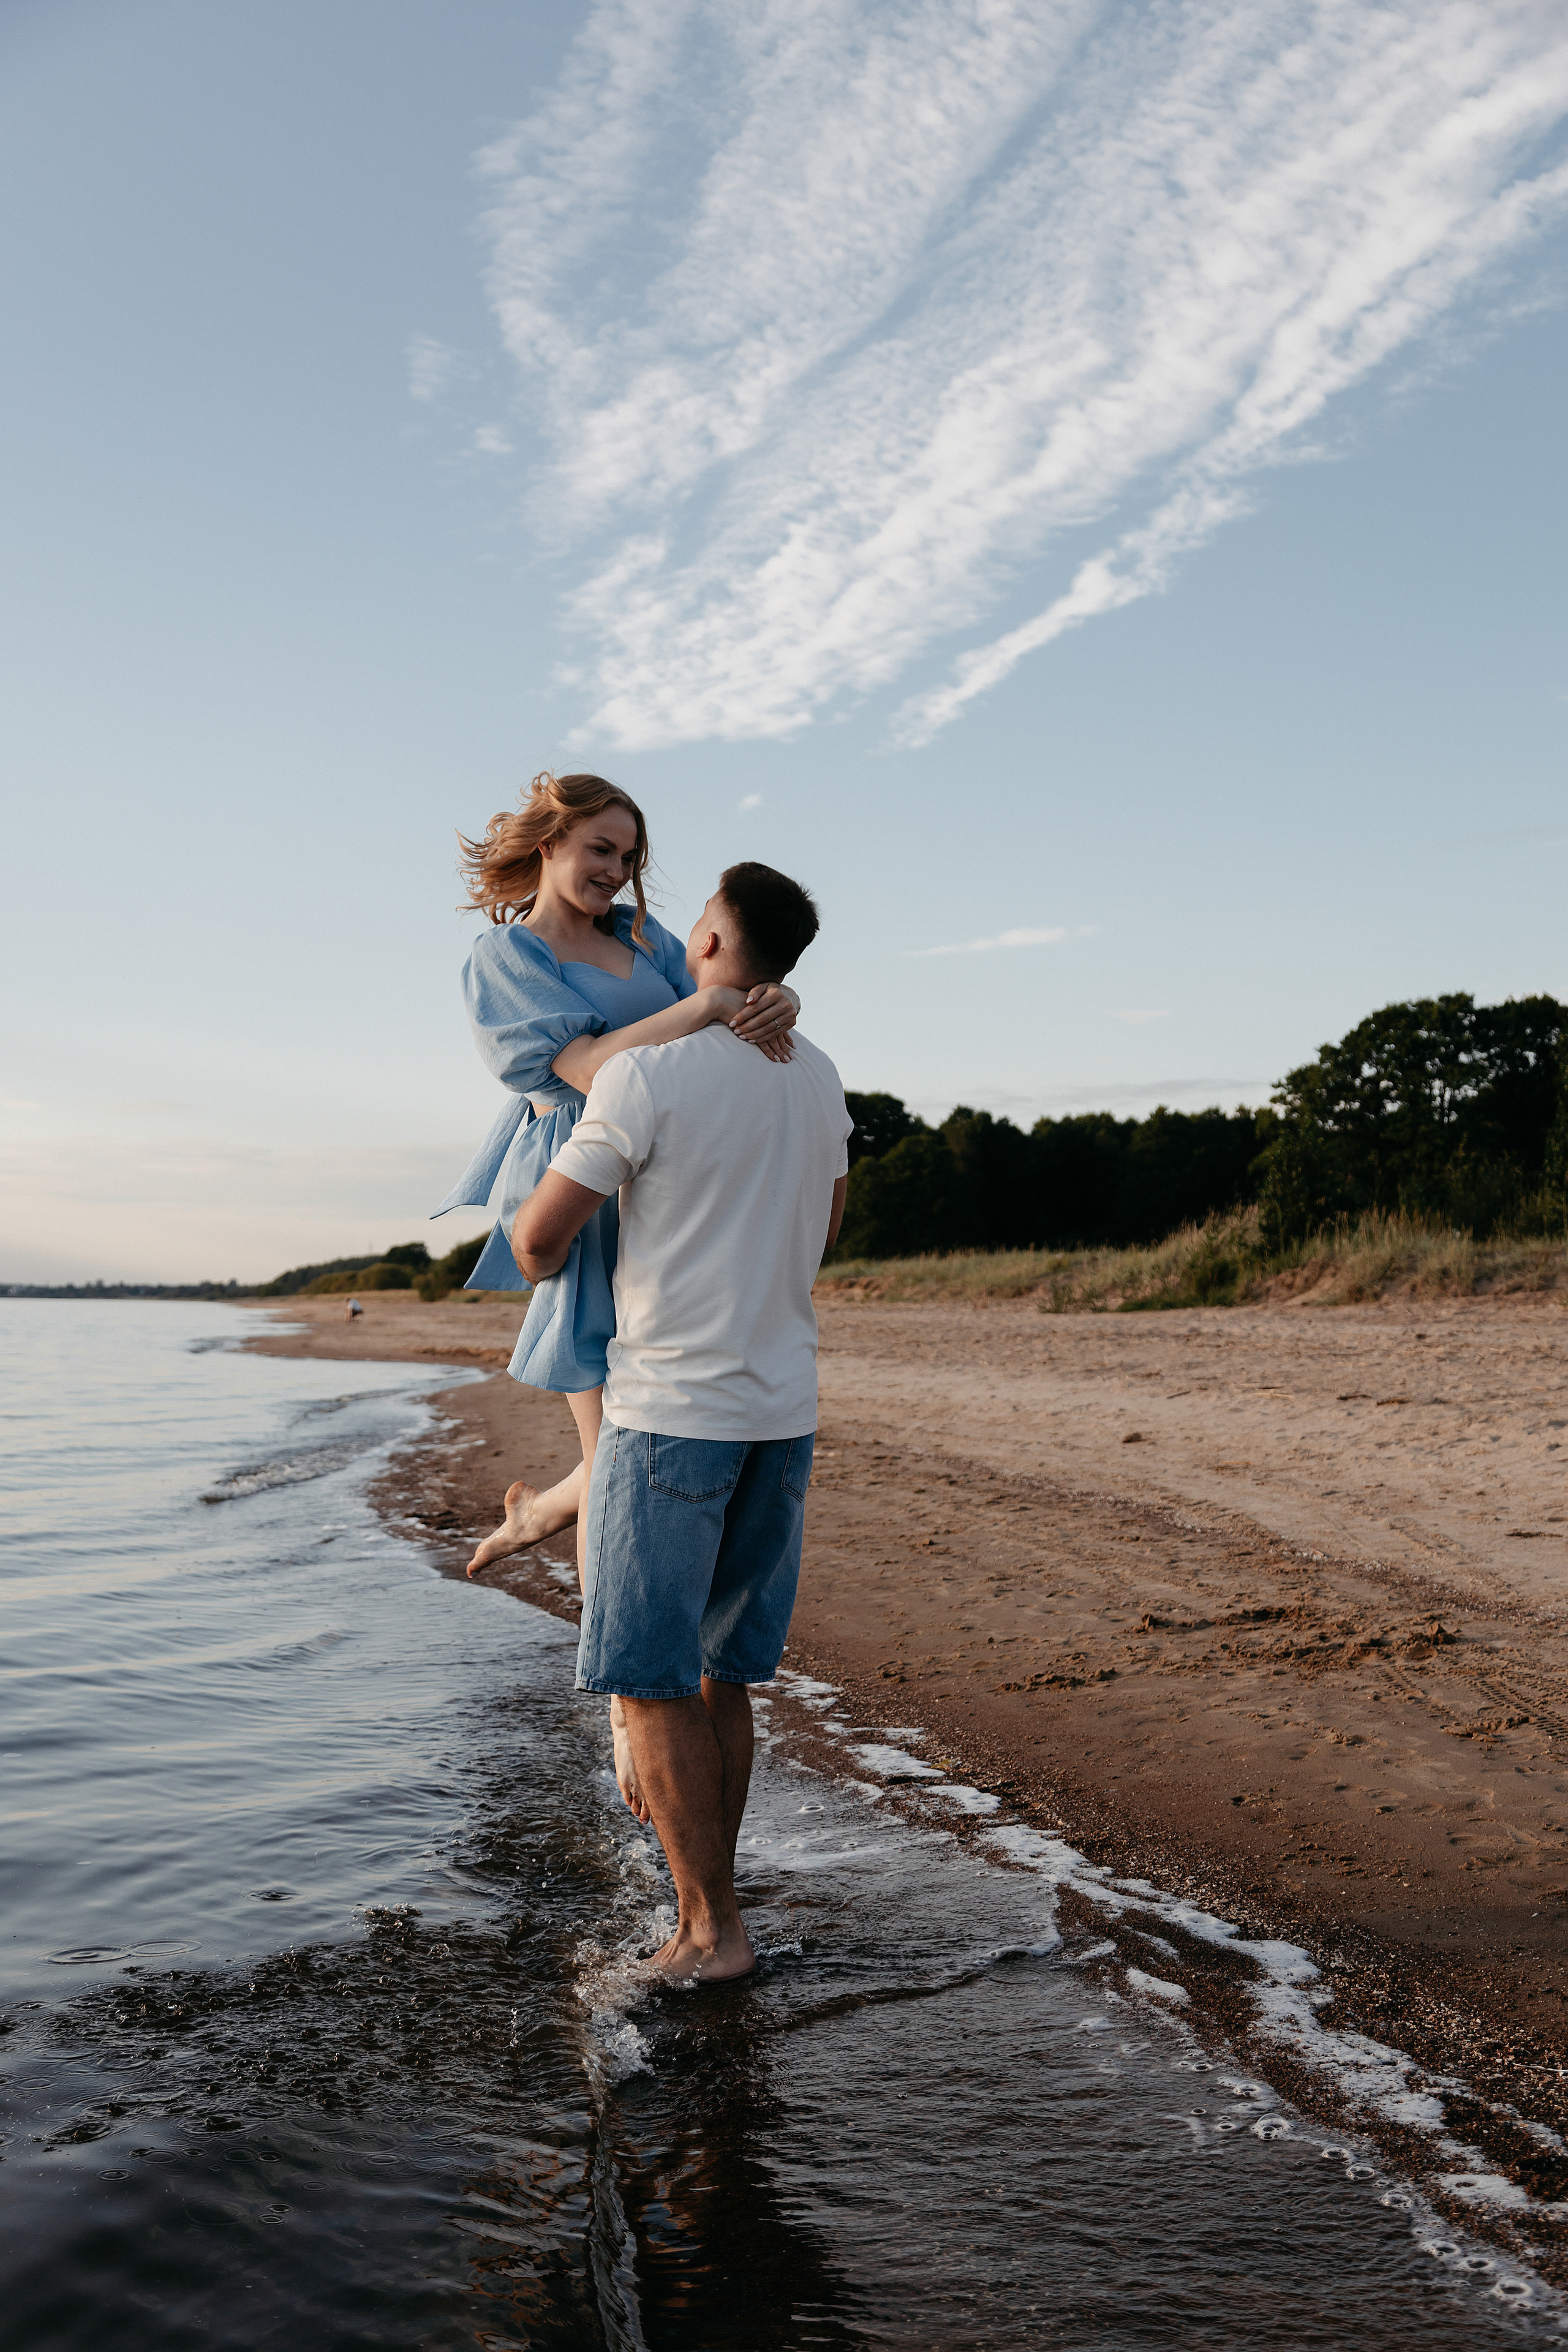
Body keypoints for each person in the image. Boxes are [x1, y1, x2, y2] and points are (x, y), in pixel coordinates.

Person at [510, 863, 851, 1983]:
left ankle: (710, 1935)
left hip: (669, 1419)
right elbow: (824, 1228)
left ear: (708, 945)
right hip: (781, 1414)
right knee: (724, 1677)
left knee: (650, 1679)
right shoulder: (821, 1077)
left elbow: (539, 1242)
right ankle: (716, 1910)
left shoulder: (647, 1076)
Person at [432, 772, 802, 1801]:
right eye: (599, 847)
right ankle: (621, 1712)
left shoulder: (646, 943)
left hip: (674, 1195)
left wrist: (771, 996)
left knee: (623, 1450)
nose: (616, 871)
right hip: (587, 1187)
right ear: (550, 844)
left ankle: (534, 1516)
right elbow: (591, 1065)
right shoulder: (506, 957)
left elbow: (723, 993)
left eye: (629, 854)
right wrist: (713, 1006)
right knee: (620, 1448)